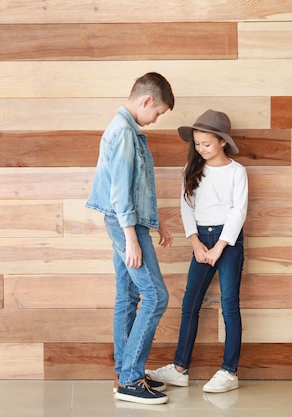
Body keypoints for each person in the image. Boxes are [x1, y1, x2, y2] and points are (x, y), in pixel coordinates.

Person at [86, 72, 175, 405]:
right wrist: (132, 239)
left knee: (128, 295)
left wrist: (157, 224)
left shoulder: (125, 130)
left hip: (129, 222)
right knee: (155, 296)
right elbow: (120, 192)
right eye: (158, 113)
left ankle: (125, 371)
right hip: (126, 225)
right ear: (146, 101)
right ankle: (130, 378)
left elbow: (137, 189)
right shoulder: (123, 132)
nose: (155, 120)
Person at [147, 109, 248, 394]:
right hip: (200, 240)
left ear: (223, 142)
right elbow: (186, 208)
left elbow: (238, 212)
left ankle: (229, 371)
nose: (201, 148)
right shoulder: (191, 170)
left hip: (227, 242)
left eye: (206, 143)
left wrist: (218, 247)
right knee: (190, 303)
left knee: (230, 305)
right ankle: (179, 368)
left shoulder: (237, 172)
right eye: (197, 143)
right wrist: (195, 242)